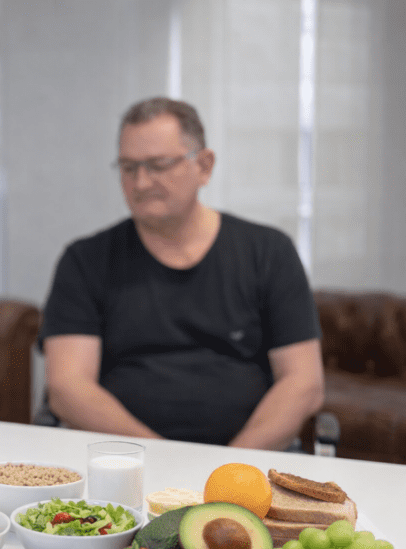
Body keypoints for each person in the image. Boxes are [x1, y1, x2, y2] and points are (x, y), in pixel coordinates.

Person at [40, 97, 323, 450]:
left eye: (158, 165)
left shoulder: (269, 252)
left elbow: (303, 382)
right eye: (128, 168)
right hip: (124, 462)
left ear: (204, 166)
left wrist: (228, 467)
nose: (141, 183)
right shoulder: (85, 260)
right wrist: (161, 457)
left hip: (246, 466)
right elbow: (68, 388)